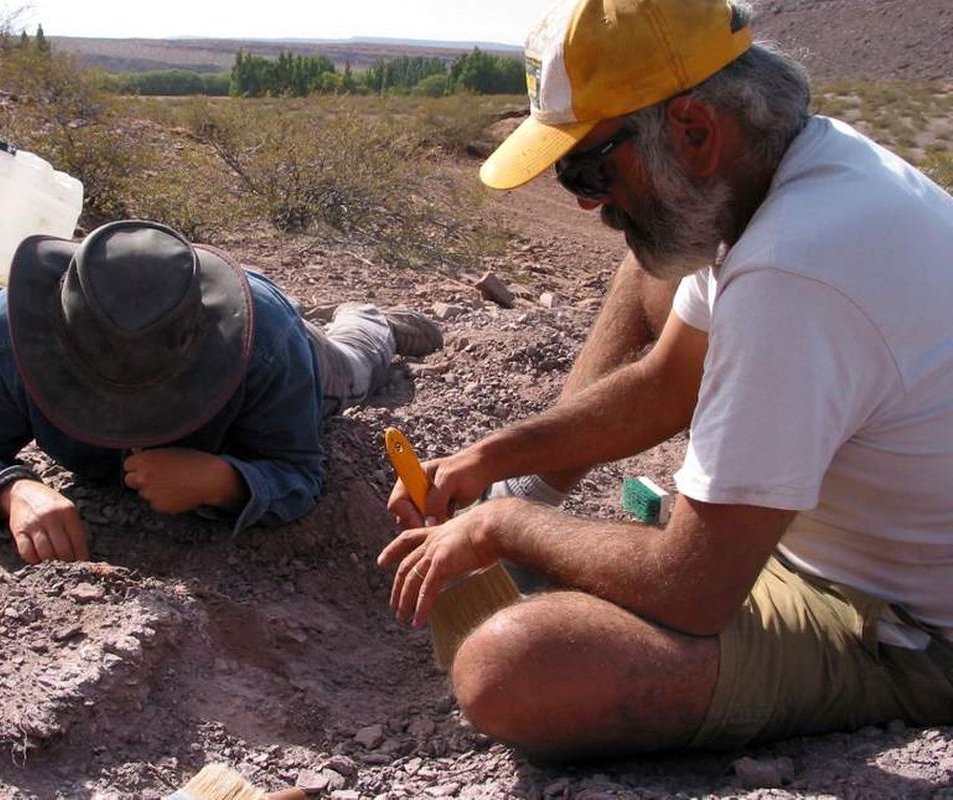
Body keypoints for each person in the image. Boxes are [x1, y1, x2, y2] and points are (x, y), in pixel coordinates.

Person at [379, 0, 953, 760]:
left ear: (694, 129)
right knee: (645, 261)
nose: (585, 199)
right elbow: (665, 384)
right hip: (818, 546)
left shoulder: (794, 271)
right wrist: (496, 461)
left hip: (902, 624)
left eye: (588, 167)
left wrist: (500, 526)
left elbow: (693, 587)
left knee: (511, 667)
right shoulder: (798, 169)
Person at [0, 219, 441, 564]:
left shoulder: (266, 343)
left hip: (266, 326)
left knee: (354, 367)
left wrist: (225, 480)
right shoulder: (8, 333)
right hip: (213, 308)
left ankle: (373, 321)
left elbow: (297, 471)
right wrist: (13, 492)